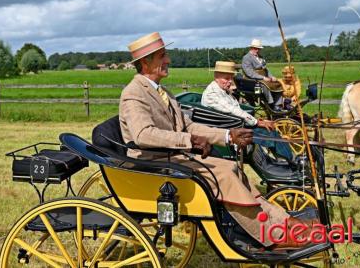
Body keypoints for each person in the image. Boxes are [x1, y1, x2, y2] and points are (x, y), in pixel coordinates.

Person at [119, 32, 316, 249]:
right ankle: (270, 237)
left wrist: (227, 135)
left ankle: (284, 222)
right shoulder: (134, 93)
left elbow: (188, 126)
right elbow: (143, 134)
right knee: (222, 176)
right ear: (146, 62)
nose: (168, 60)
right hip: (153, 164)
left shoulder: (163, 92)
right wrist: (190, 141)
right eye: (162, 56)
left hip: (172, 158)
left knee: (232, 167)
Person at [201, 61, 275, 131]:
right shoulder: (212, 94)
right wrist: (256, 122)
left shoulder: (222, 89)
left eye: (231, 78)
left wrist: (255, 120)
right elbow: (232, 110)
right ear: (216, 78)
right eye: (226, 78)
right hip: (224, 129)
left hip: (232, 124)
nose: (230, 81)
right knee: (269, 133)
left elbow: (236, 108)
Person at [242, 39, 283, 111]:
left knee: (278, 83)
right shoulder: (246, 58)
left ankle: (277, 105)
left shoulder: (261, 57)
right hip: (251, 80)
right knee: (264, 86)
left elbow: (265, 70)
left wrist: (271, 77)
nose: (257, 50)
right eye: (255, 48)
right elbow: (249, 73)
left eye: (258, 49)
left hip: (263, 78)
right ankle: (271, 104)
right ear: (251, 48)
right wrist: (263, 78)